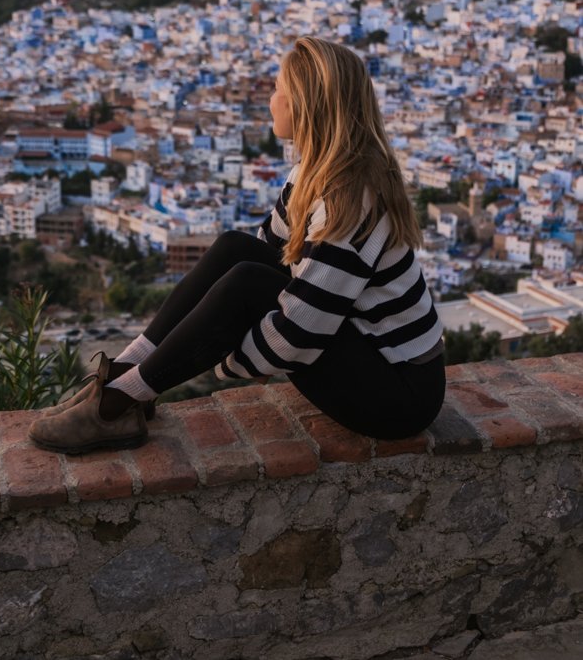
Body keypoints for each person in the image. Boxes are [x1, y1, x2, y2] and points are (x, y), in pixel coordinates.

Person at [29, 36, 445, 455]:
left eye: (278, 89)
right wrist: (209, 335)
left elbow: (297, 333)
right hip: (365, 352)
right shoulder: (314, 172)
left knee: (247, 281)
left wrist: (221, 353)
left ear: (303, 103)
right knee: (234, 248)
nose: (270, 99)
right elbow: (264, 251)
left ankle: (118, 402)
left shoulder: (351, 202)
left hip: (400, 394)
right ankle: (125, 372)